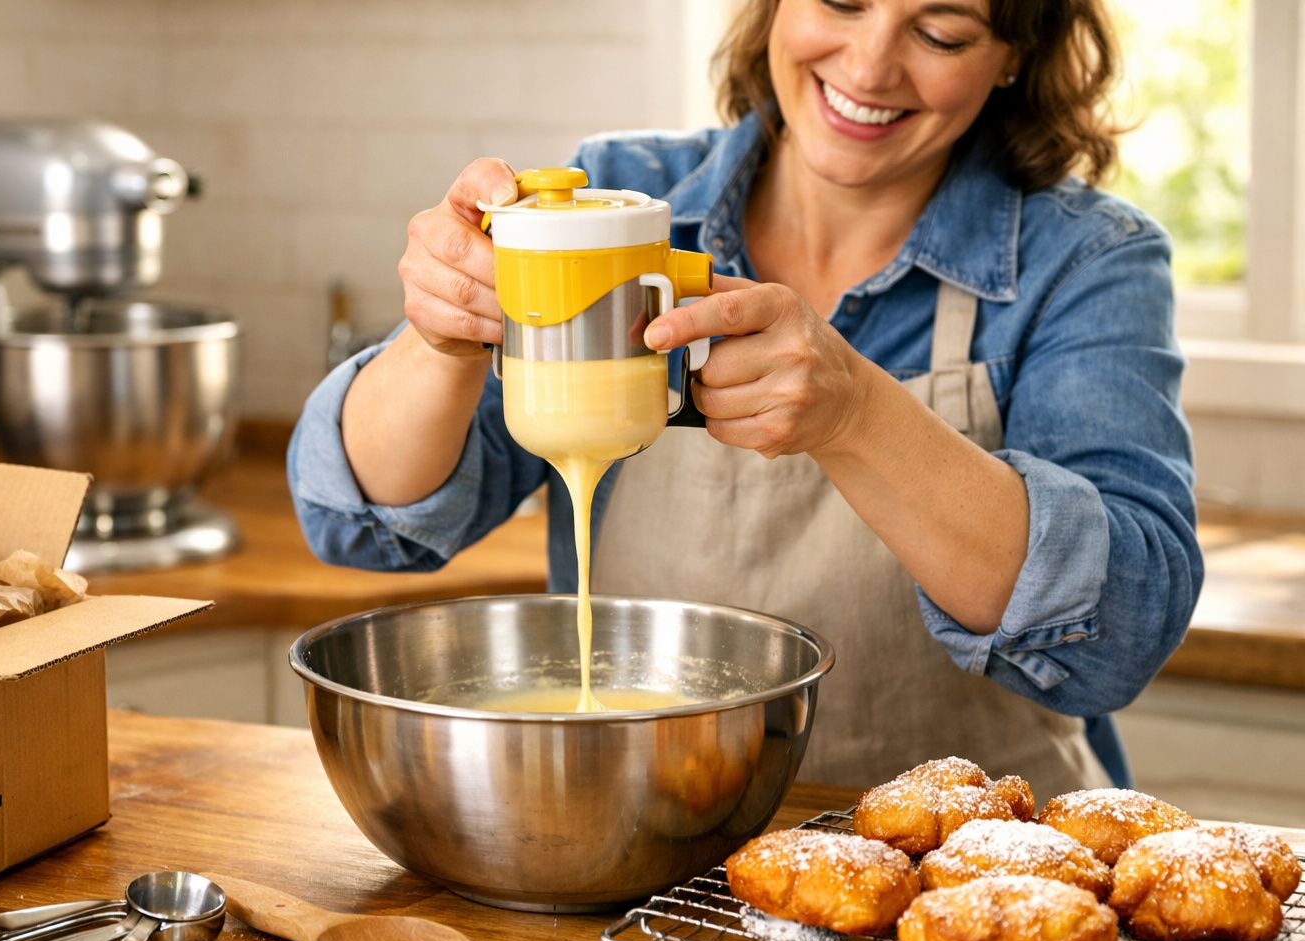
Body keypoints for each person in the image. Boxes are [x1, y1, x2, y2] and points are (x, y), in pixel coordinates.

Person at [286, 0, 1203, 800]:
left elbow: (1117, 633)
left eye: (940, 32)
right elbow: (366, 523)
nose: (870, 65)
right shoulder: (622, 211)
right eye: (841, 2)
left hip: (971, 885)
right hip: (647, 842)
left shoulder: (1087, 260)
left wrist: (855, 413)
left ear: (1014, 55)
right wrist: (442, 333)